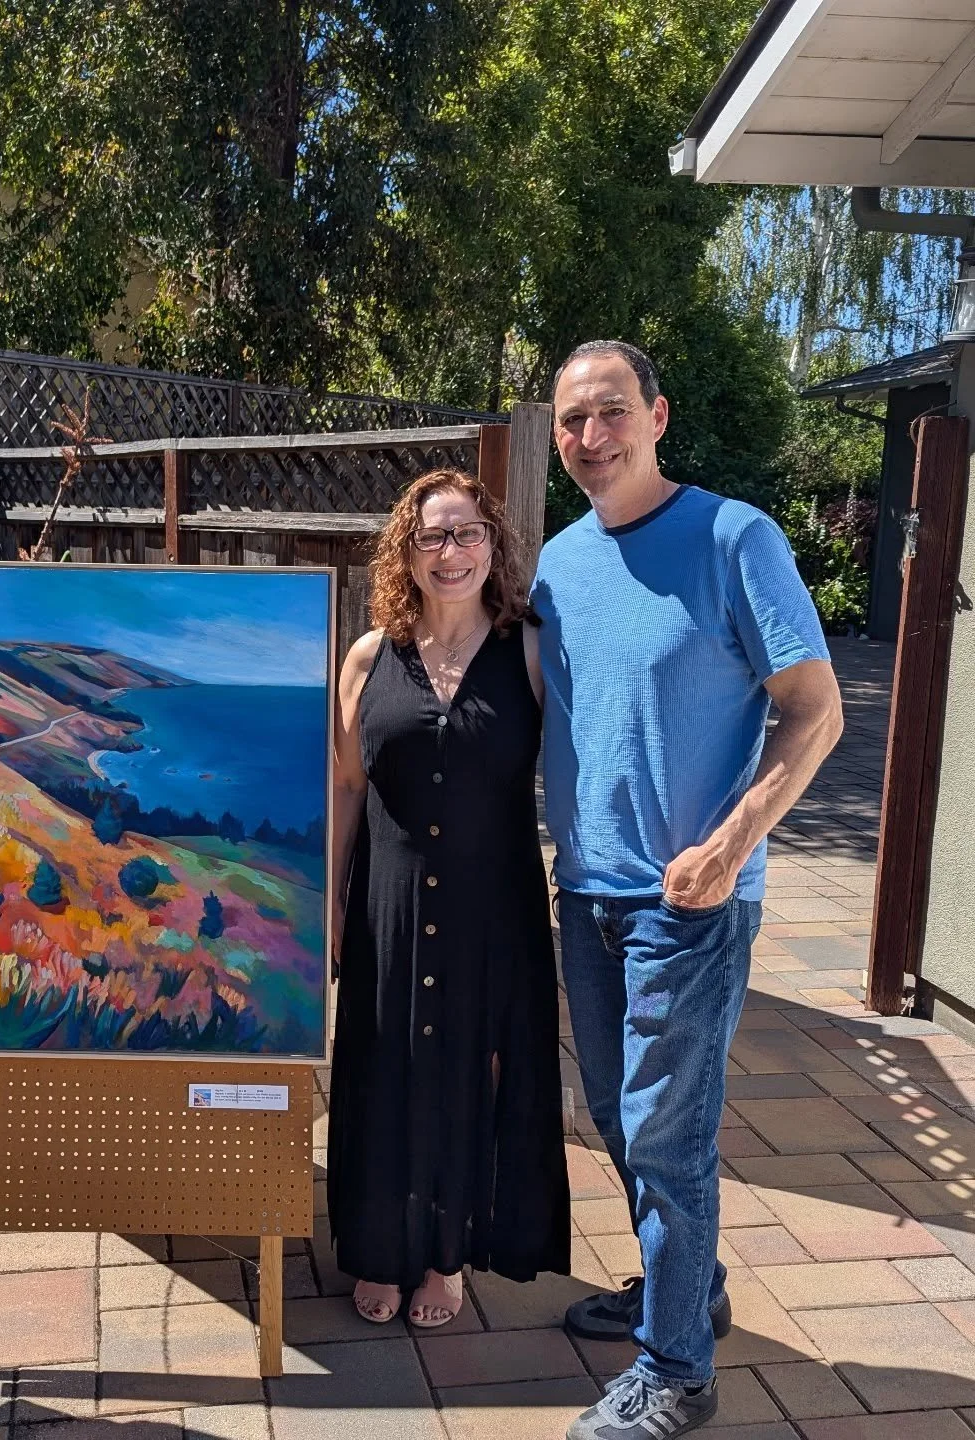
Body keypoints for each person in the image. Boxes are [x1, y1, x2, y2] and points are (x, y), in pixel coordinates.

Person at [532, 342, 844, 1440]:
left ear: (657, 416)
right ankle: (686, 1290)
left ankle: (677, 1373)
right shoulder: (560, 565)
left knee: (666, 1134)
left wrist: (730, 844)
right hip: (588, 894)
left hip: (691, 905)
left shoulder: (732, 537)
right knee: (624, 1125)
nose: (590, 436)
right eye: (572, 420)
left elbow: (815, 709)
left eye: (611, 412)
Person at [327, 466, 570, 1329]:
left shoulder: (531, 651)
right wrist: (329, 906)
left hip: (490, 907)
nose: (451, 551)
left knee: (470, 1076)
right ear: (407, 551)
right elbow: (348, 787)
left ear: (493, 546)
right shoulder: (369, 657)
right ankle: (381, 1251)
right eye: (432, 536)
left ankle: (445, 1255)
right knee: (383, 1071)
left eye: (467, 533)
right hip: (386, 902)